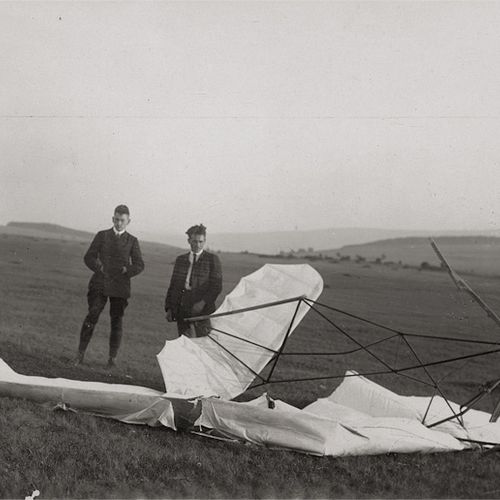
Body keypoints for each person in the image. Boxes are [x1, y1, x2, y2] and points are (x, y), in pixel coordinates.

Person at [74, 205, 144, 367]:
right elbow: (89, 257)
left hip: (120, 286)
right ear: (113, 219)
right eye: (117, 219)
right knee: (92, 316)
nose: (119, 223)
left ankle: (112, 360)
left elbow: (140, 264)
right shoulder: (102, 235)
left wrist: (128, 270)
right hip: (100, 284)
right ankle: (80, 355)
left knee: (117, 321)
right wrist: (98, 266)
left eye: (123, 220)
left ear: (128, 221)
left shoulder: (132, 241)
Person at [165, 224, 222, 337]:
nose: (197, 245)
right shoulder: (181, 260)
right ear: (189, 241)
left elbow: (216, 287)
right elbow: (173, 285)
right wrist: (169, 308)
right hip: (183, 308)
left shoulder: (212, 260)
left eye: (201, 242)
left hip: (204, 310)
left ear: (204, 241)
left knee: (204, 344)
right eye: (194, 241)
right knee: (185, 343)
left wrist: (202, 303)